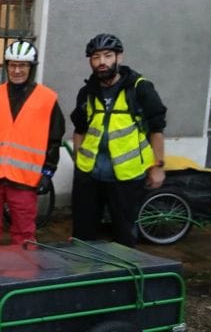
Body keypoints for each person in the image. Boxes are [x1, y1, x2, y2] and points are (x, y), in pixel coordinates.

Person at [71, 34, 167, 247]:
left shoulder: (139, 88)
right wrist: (78, 160)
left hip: (127, 177)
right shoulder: (87, 92)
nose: (102, 62)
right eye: (96, 57)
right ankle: (83, 267)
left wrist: (158, 167)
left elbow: (157, 129)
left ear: (119, 57)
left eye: (107, 55)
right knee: (82, 234)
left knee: (124, 236)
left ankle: (123, 270)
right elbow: (79, 129)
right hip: (90, 176)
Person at [0, 40, 65, 249]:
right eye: (12, 65)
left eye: (22, 66)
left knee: (24, 234)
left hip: (25, 180)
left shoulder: (47, 99)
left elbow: (54, 139)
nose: (16, 70)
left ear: (31, 68)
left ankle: (24, 268)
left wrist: (48, 172)